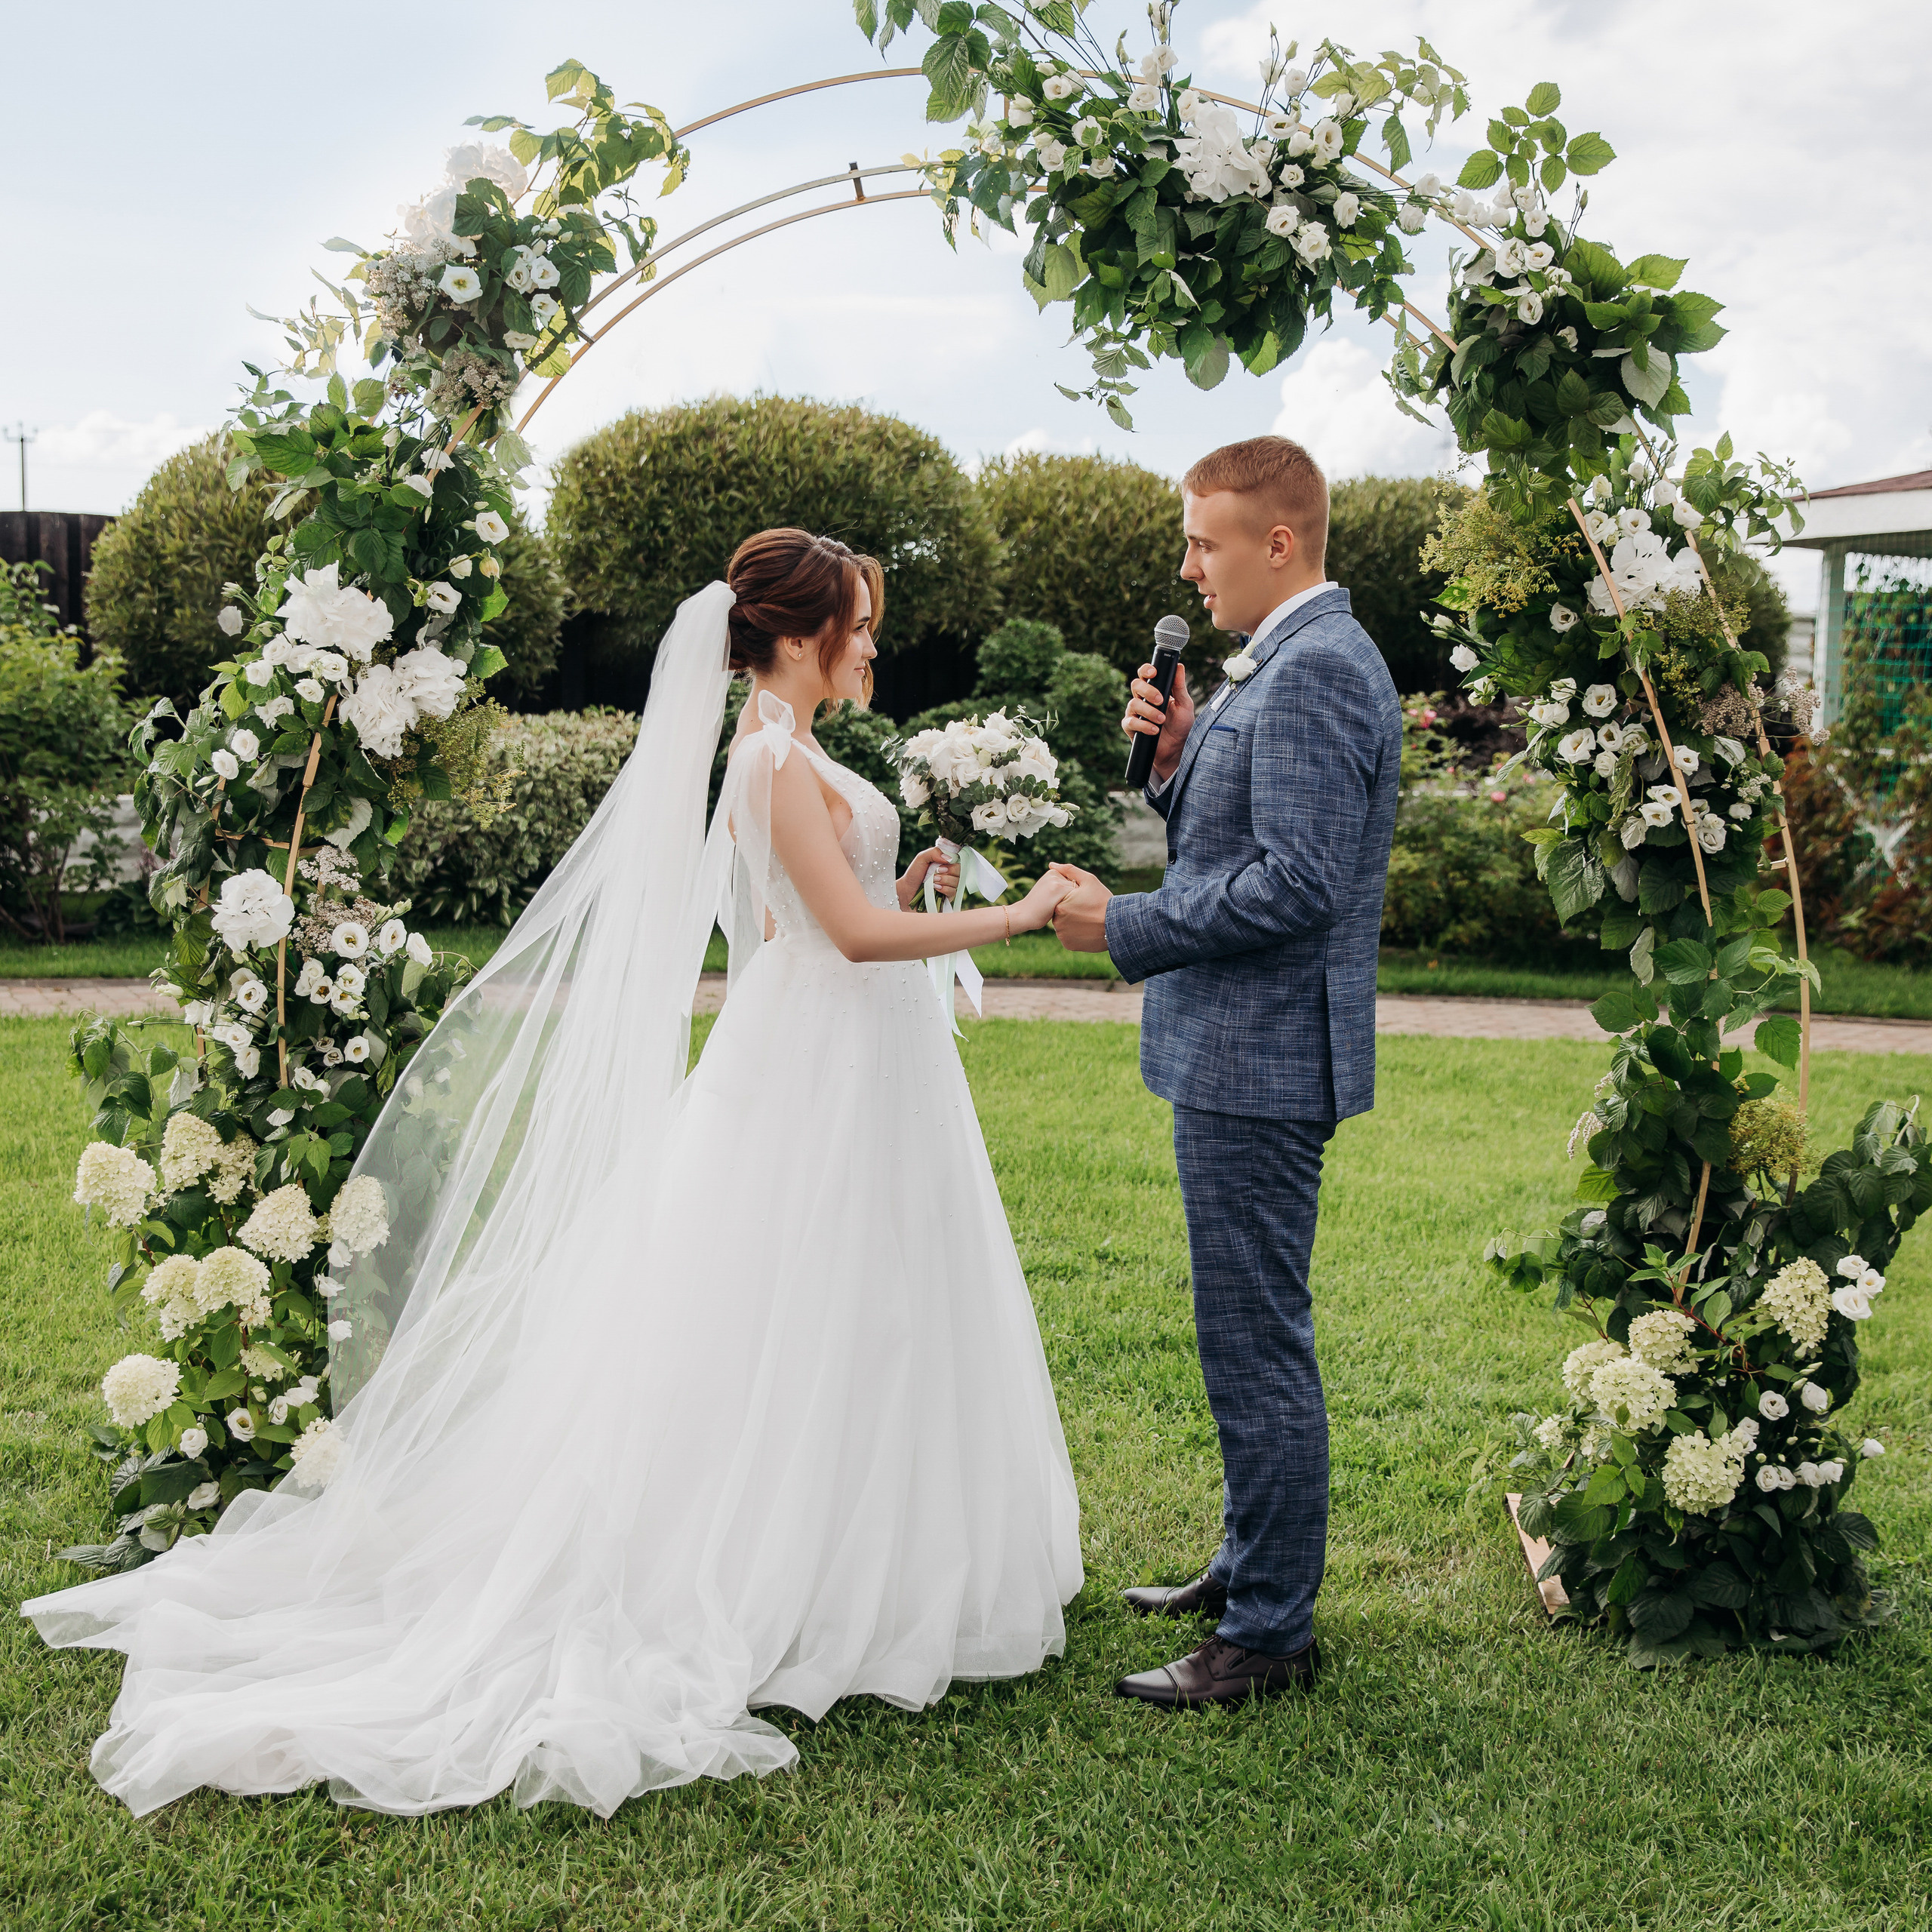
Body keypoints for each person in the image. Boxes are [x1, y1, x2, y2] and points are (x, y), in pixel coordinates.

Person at [23, 529, 1084, 1817]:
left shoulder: (796, 759)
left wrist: (911, 880)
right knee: (791, 1304)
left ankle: (868, 1550)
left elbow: (793, 923)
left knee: (863, 1303)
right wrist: (1016, 919)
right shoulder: (771, 762)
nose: (873, 644)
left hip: (846, 1063)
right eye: (859, 625)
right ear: (801, 638)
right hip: (823, 1061)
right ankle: (775, 1562)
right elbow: (849, 942)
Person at [1050, 435, 1401, 1708]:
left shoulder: (1314, 671)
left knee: (1254, 1342)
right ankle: (1254, 1566)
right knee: (1241, 1329)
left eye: (1204, 542)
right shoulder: (1289, 662)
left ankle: (1266, 1637)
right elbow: (1246, 828)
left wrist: (1124, 928)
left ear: (1279, 542)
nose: (1188, 567)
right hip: (1241, 1049)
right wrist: (1179, 748)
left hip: (1261, 1061)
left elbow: (1297, 885)